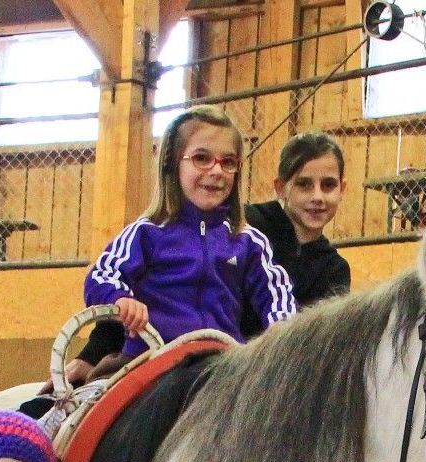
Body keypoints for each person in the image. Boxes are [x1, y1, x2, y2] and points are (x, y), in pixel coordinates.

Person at [82, 104, 295, 372]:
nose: (217, 171)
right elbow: (101, 275)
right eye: (202, 158)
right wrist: (120, 299)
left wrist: (282, 329)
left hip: (221, 365)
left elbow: (276, 293)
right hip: (149, 361)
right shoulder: (146, 233)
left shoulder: (248, 241)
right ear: (173, 164)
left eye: (228, 162)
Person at [243, 131, 351, 313]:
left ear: (342, 189)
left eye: (328, 185)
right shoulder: (249, 226)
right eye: (304, 184)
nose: (317, 197)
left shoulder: (334, 269)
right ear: (281, 188)